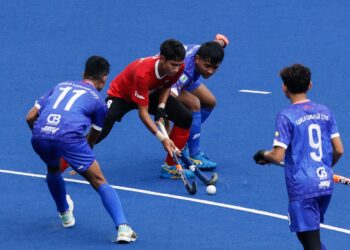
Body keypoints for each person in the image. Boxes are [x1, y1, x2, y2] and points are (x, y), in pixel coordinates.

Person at [26, 56, 137, 243]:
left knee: (53, 169)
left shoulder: (60, 86)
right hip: (70, 139)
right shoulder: (99, 102)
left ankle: (65, 215)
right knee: (99, 180)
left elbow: (30, 117)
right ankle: (123, 228)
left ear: (83, 74)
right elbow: (95, 132)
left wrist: (43, 135)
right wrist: (86, 149)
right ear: (104, 79)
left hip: (40, 135)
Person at [253, 64, 343, 250]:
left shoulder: (286, 116)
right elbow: (339, 150)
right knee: (308, 238)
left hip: (303, 187)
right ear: (309, 85)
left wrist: (263, 155)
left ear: (284, 87)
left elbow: (277, 156)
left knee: (311, 243)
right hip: (325, 183)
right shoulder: (325, 111)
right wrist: (326, 168)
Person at [95, 39, 195, 179]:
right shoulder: (143, 74)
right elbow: (143, 113)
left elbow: (167, 84)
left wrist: (161, 107)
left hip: (150, 92)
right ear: (162, 59)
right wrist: (162, 138)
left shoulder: (179, 66)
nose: (176, 69)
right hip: (122, 95)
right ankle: (66, 159)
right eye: (173, 65)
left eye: (179, 65)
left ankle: (170, 167)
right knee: (100, 129)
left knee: (185, 117)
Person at [170, 34, 228, 171]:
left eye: (215, 67)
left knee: (210, 101)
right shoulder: (186, 72)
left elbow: (219, 42)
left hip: (186, 79)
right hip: (168, 81)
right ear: (197, 59)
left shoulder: (208, 50)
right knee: (194, 103)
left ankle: (183, 138)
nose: (210, 71)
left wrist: (222, 41)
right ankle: (194, 154)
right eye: (207, 66)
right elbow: (170, 96)